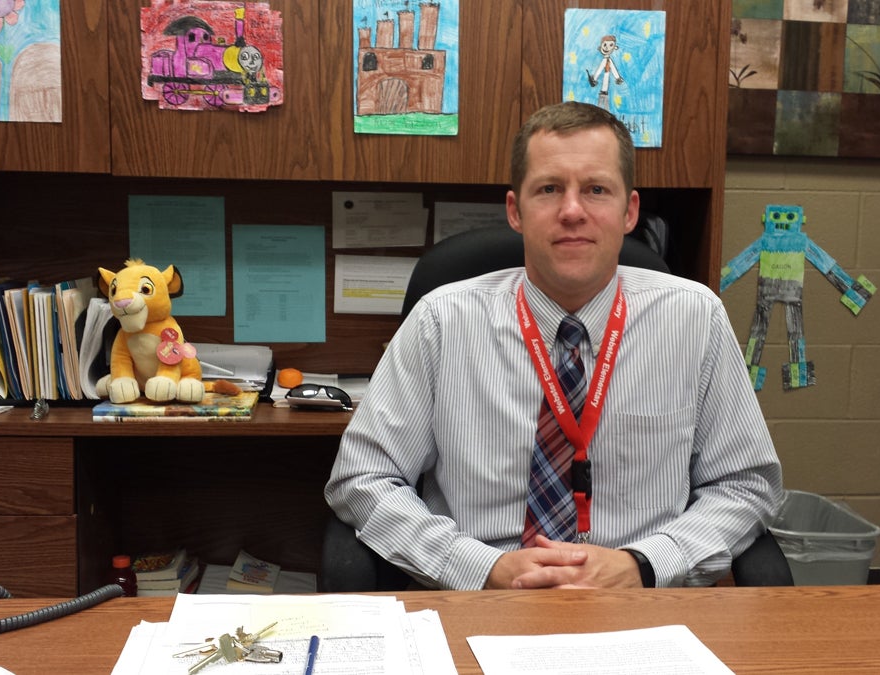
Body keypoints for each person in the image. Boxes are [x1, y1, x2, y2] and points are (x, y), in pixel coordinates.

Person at [324, 101, 782, 591]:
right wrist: (479, 567)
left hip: (640, 606)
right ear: (515, 211)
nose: (571, 211)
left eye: (596, 190)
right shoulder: (442, 321)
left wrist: (644, 565)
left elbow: (745, 485)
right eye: (548, 189)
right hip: (479, 597)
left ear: (629, 212)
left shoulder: (695, 319)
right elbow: (363, 479)